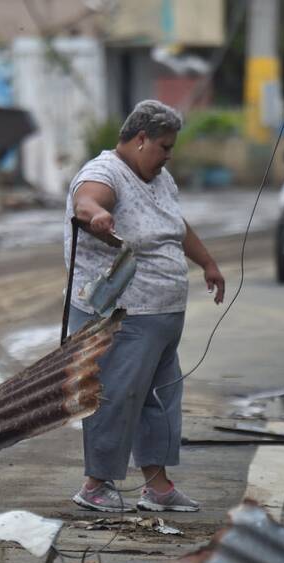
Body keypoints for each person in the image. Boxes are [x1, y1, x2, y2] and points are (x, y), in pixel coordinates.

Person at [65, 99, 225, 513]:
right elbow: (87, 201)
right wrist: (97, 215)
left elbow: (175, 223)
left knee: (160, 398)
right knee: (116, 397)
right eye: (164, 147)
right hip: (124, 316)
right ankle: (95, 484)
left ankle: (157, 486)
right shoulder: (105, 172)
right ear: (140, 139)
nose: (168, 156)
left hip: (161, 316)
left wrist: (206, 262)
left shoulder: (159, 178)